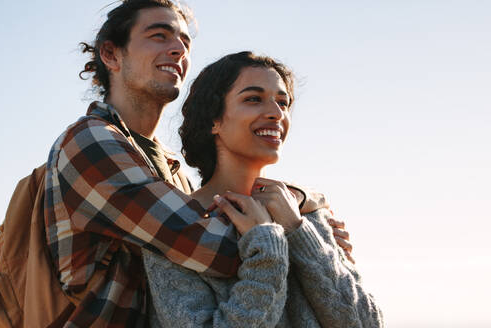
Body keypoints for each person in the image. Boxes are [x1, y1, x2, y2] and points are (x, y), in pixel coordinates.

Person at [45, 1, 352, 326]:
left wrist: (302, 217)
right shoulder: (91, 142)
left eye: (185, 41)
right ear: (111, 54)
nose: (179, 49)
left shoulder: (172, 172)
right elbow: (210, 249)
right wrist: (305, 230)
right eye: (159, 35)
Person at [143, 51, 384, 327]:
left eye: (283, 102)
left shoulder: (303, 215)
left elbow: (365, 322)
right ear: (214, 120)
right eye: (253, 99)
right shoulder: (178, 226)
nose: (276, 114)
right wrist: (267, 249)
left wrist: (298, 231)